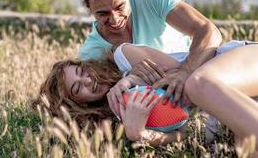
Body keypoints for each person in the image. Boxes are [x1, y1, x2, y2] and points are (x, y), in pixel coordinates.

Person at [34, 41, 258, 151]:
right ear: (79, 105)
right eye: (77, 89)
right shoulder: (116, 120)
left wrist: (132, 79)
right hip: (239, 109)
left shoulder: (125, 57)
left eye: (82, 72)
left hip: (241, 65)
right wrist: (140, 134)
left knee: (196, 85)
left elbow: (185, 74)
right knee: (247, 147)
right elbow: (185, 134)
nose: (87, 81)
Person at [78, 0, 222, 105]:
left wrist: (186, 72)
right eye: (103, 13)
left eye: (120, 7)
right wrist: (127, 76)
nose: (115, 19)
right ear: (87, 6)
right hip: (168, 108)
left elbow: (208, 31)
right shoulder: (91, 54)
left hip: (207, 77)